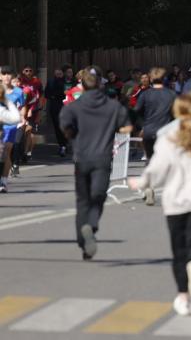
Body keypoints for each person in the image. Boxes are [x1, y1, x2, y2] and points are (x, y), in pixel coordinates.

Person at [130, 95, 191, 316]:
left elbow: (157, 167)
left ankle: (183, 297)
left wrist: (142, 182)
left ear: (176, 112)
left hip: (176, 202)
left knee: (179, 251)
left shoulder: (168, 137)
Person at [59, 69, 132, 259]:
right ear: (100, 85)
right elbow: (127, 127)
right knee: (98, 196)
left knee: (82, 200)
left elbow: (65, 126)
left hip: (81, 158)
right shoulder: (112, 106)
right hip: (103, 158)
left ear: (82, 86)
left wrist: (74, 139)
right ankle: (91, 225)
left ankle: (84, 241)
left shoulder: (74, 107)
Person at [135, 67, 177, 205]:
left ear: (151, 79)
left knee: (150, 159)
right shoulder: (171, 94)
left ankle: (149, 188)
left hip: (149, 130)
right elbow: (176, 113)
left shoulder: (145, 94)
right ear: (164, 78)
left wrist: (143, 125)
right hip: (165, 131)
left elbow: (137, 111)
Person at [45, 68, 68, 157]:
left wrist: (57, 94)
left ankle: (64, 144)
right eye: (56, 73)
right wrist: (55, 95)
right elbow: (47, 94)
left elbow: (66, 93)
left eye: (60, 73)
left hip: (65, 106)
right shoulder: (51, 81)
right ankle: (62, 145)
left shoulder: (66, 82)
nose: (58, 75)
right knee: (57, 127)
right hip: (55, 107)